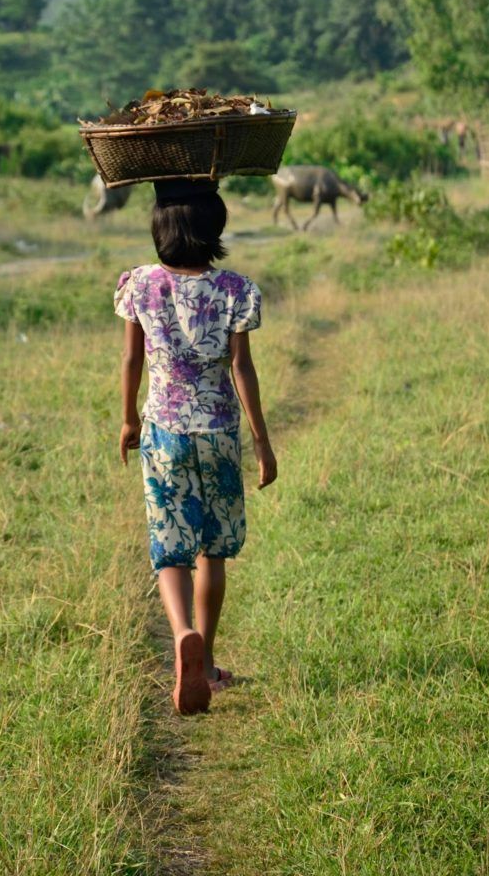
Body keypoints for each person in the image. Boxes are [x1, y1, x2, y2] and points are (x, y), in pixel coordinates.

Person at [113, 176, 277, 715]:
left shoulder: (139, 285)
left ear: (159, 231)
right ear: (216, 228)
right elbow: (242, 368)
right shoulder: (233, 290)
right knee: (213, 548)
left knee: (170, 544)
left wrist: (127, 422)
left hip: (163, 429)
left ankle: (182, 632)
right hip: (219, 432)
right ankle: (204, 664)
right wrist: (262, 441)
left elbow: (131, 361)